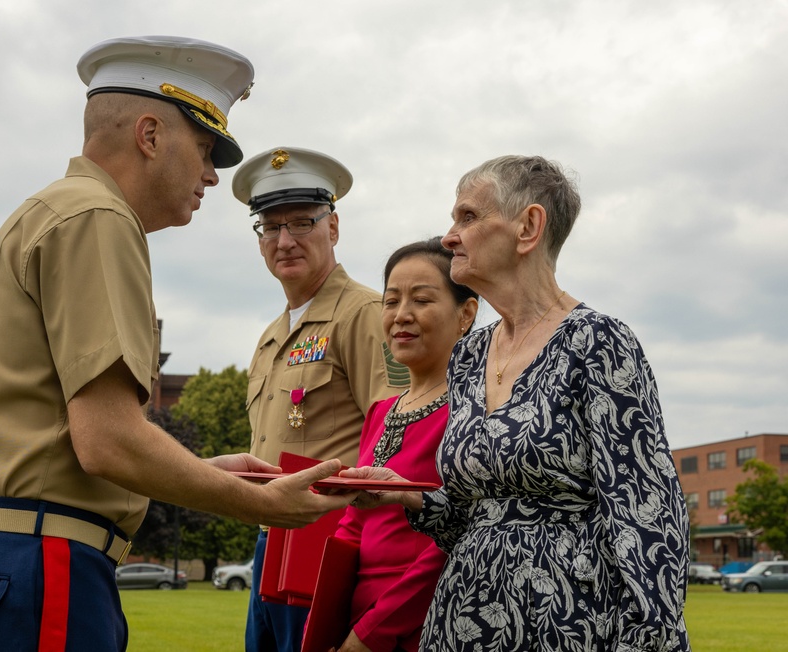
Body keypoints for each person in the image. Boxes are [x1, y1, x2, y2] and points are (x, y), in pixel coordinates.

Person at [0, 37, 356, 652]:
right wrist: (244, 501)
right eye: (205, 149)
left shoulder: (46, 210)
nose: (210, 174)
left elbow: (56, 440)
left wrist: (195, 472)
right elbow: (108, 440)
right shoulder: (100, 217)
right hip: (38, 560)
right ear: (150, 135)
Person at [345, 155, 691, 651]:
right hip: (461, 621)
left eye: (468, 217)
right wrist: (407, 494)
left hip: (567, 625)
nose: (449, 237)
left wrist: (647, 640)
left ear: (528, 227)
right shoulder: (467, 355)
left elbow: (648, 518)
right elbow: (469, 515)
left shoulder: (599, 342)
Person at [232, 147, 407, 652]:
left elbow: (396, 428)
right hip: (270, 542)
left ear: (333, 227)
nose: (284, 240)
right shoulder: (271, 336)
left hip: (329, 539)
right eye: (270, 226)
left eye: (302, 222)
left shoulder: (366, 314)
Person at [326, 237, 478, 652]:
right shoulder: (381, 410)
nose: (401, 315)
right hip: (355, 620)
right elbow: (354, 522)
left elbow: (454, 539)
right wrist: (326, 619)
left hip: (423, 623)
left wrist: (369, 636)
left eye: (422, 300)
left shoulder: (474, 410)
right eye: (391, 301)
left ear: (466, 314)